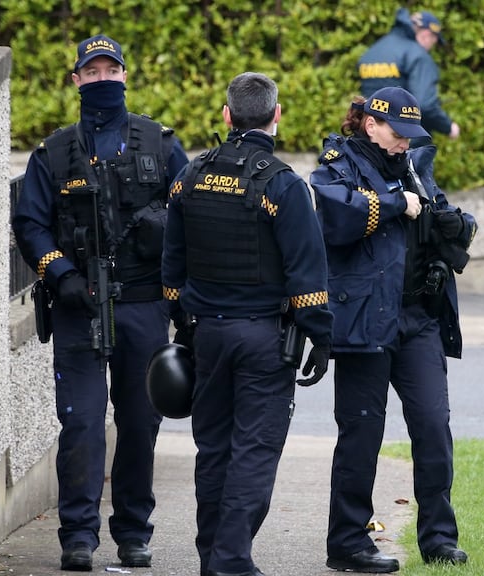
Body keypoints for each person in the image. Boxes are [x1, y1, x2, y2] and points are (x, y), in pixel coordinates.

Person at [12, 34, 189, 572]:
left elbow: (187, 216)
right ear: (76, 81)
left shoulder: (159, 144)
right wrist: (58, 272)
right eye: (93, 73)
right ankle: (78, 535)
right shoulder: (54, 152)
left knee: (140, 422)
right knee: (82, 423)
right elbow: (30, 223)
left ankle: (133, 531)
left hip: (143, 304)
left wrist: (181, 295)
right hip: (79, 305)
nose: (103, 80)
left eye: (111, 71)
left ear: (126, 76)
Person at [160, 72, 333, 576]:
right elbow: (308, 275)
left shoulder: (190, 176)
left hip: (206, 334)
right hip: (262, 339)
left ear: (227, 115)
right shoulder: (283, 185)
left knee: (213, 448)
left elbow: (171, 266)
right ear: (277, 115)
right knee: (254, 451)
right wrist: (321, 339)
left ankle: (213, 557)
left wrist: (183, 322)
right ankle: (230, 561)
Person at [310, 86, 477, 573]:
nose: (405, 143)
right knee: (361, 435)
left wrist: (453, 222)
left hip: (418, 317)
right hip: (365, 320)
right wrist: (393, 202)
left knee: (432, 426)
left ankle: (439, 539)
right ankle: (347, 543)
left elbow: (454, 220)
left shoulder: (414, 168)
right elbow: (336, 217)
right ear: (370, 125)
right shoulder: (337, 163)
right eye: (397, 134)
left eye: (411, 136)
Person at [358, 7, 461, 144]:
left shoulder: (372, 52)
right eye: (433, 41)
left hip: (370, 137)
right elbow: (426, 105)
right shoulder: (418, 55)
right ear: (426, 34)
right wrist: (448, 127)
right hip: (404, 141)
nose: (431, 47)